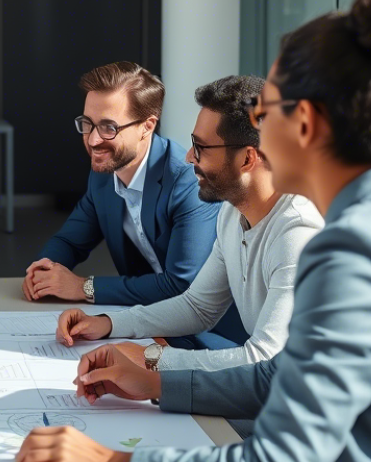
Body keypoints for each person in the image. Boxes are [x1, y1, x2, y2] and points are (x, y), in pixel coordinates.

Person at [15, 0, 371, 462]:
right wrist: (157, 380)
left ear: (304, 124)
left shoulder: (355, 253)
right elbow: (278, 375)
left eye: (267, 109)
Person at [56, 75, 323, 372]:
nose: (188, 156)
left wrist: (151, 358)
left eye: (200, 147)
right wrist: (108, 323)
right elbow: (198, 307)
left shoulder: (297, 234)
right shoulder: (233, 213)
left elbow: (264, 359)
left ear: (248, 159)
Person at [23, 62, 237, 346]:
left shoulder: (187, 180)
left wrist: (83, 287)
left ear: (147, 126)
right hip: (143, 322)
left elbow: (181, 285)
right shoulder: (104, 175)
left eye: (109, 127)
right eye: (87, 124)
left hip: (214, 334)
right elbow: (71, 240)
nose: (93, 139)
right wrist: (45, 268)